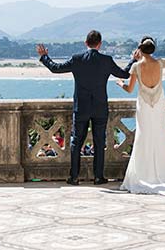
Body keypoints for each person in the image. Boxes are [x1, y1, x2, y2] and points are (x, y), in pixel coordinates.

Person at [36, 30, 135, 185]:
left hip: (81, 107)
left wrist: (44, 57)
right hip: (100, 107)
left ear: (85, 43)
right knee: (99, 142)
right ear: (100, 44)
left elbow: (56, 68)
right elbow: (124, 74)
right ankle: (98, 177)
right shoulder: (106, 60)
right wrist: (132, 60)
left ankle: (74, 177)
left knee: (76, 142)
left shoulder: (77, 59)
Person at [116, 35, 165, 194]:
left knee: (143, 137)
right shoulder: (160, 63)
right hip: (158, 103)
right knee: (161, 134)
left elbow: (130, 89)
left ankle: (143, 174)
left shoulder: (136, 66)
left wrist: (121, 83)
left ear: (140, 50)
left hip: (144, 104)